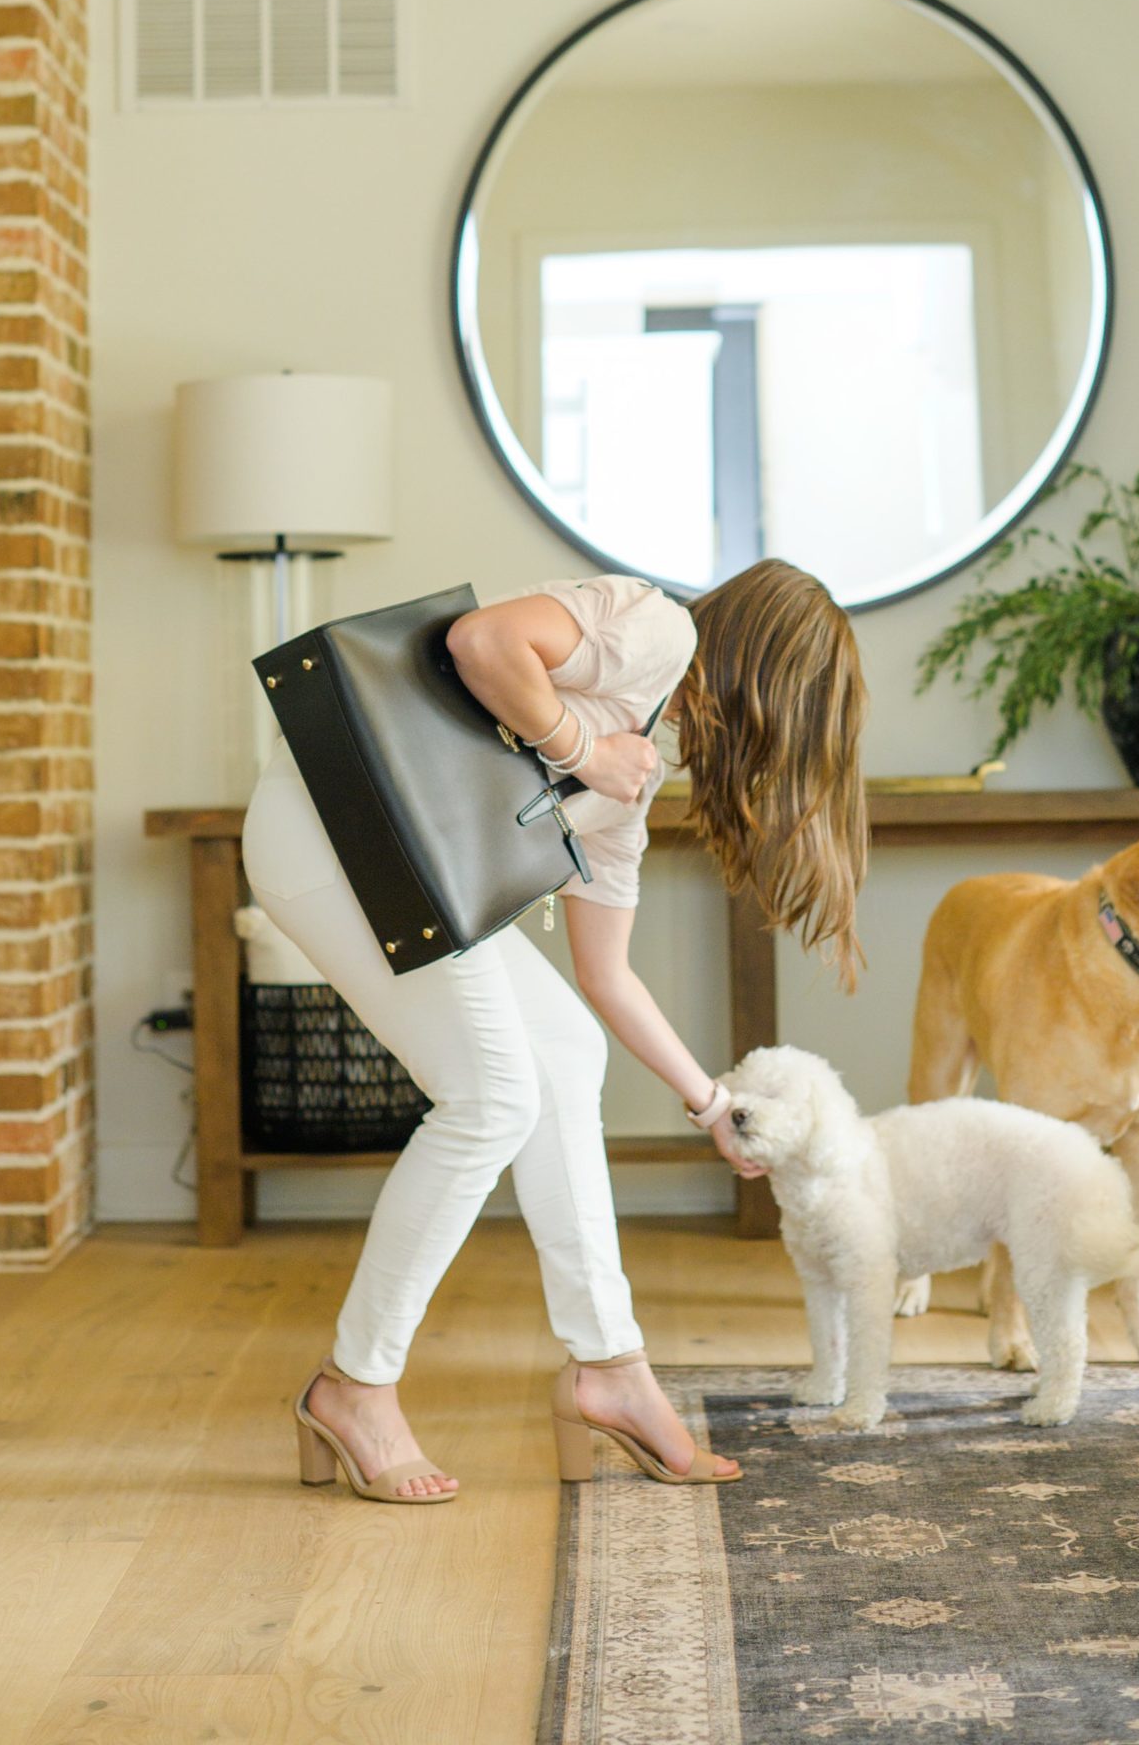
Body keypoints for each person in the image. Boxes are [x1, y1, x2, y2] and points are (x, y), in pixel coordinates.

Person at [241, 554, 869, 1504]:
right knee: (490, 1097)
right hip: (331, 832)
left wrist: (711, 1104)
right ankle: (354, 1385)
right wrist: (581, 746)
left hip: (410, 866)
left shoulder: (633, 785)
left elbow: (604, 978)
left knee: (566, 1053)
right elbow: (482, 640)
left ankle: (609, 1368)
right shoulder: (657, 630)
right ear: (772, 683)